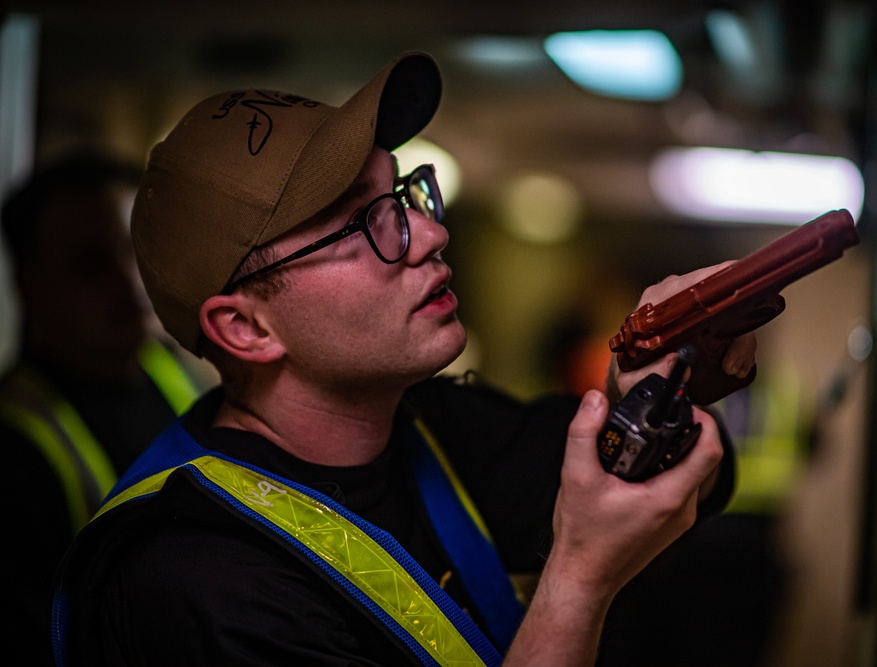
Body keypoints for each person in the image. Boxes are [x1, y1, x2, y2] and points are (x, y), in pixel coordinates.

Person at [50, 52, 756, 666]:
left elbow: (689, 484)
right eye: (363, 222)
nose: (426, 232)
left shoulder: (431, 426)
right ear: (246, 327)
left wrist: (652, 376)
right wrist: (579, 580)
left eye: (401, 194)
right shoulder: (192, 581)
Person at [0, 151, 207, 664]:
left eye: (134, 250)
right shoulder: (13, 445)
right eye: (91, 263)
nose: (128, 280)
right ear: (31, 284)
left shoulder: (167, 367)